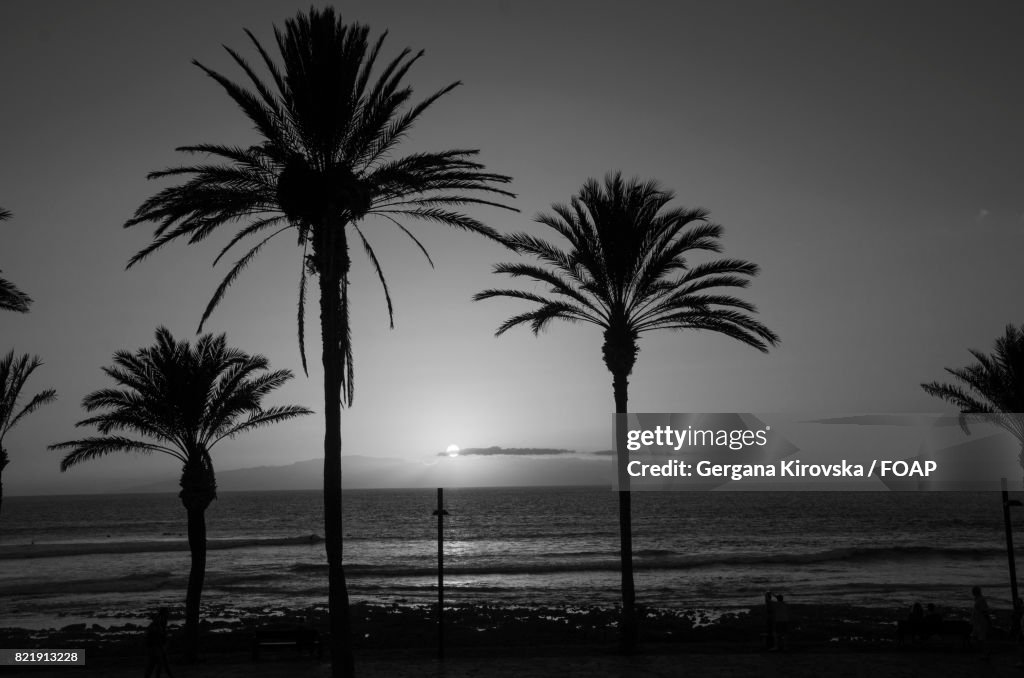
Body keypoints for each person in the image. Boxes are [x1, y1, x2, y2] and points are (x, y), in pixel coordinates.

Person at [144, 607, 174, 678]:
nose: (168, 614)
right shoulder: (159, 621)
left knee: (159, 664)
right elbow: (157, 635)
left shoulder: (162, 620)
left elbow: (161, 634)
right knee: (157, 663)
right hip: (155, 646)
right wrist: (162, 646)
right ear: (164, 613)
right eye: (167, 613)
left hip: (158, 645)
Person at [971, 586, 990, 657]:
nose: (972, 593)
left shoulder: (981, 600)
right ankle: (984, 652)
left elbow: (985, 612)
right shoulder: (978, 599)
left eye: (973, 591)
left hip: (981, 622)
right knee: (978, 638)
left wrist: (988, 621)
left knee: (981, 639)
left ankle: (985, 653)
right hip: (977, 622)